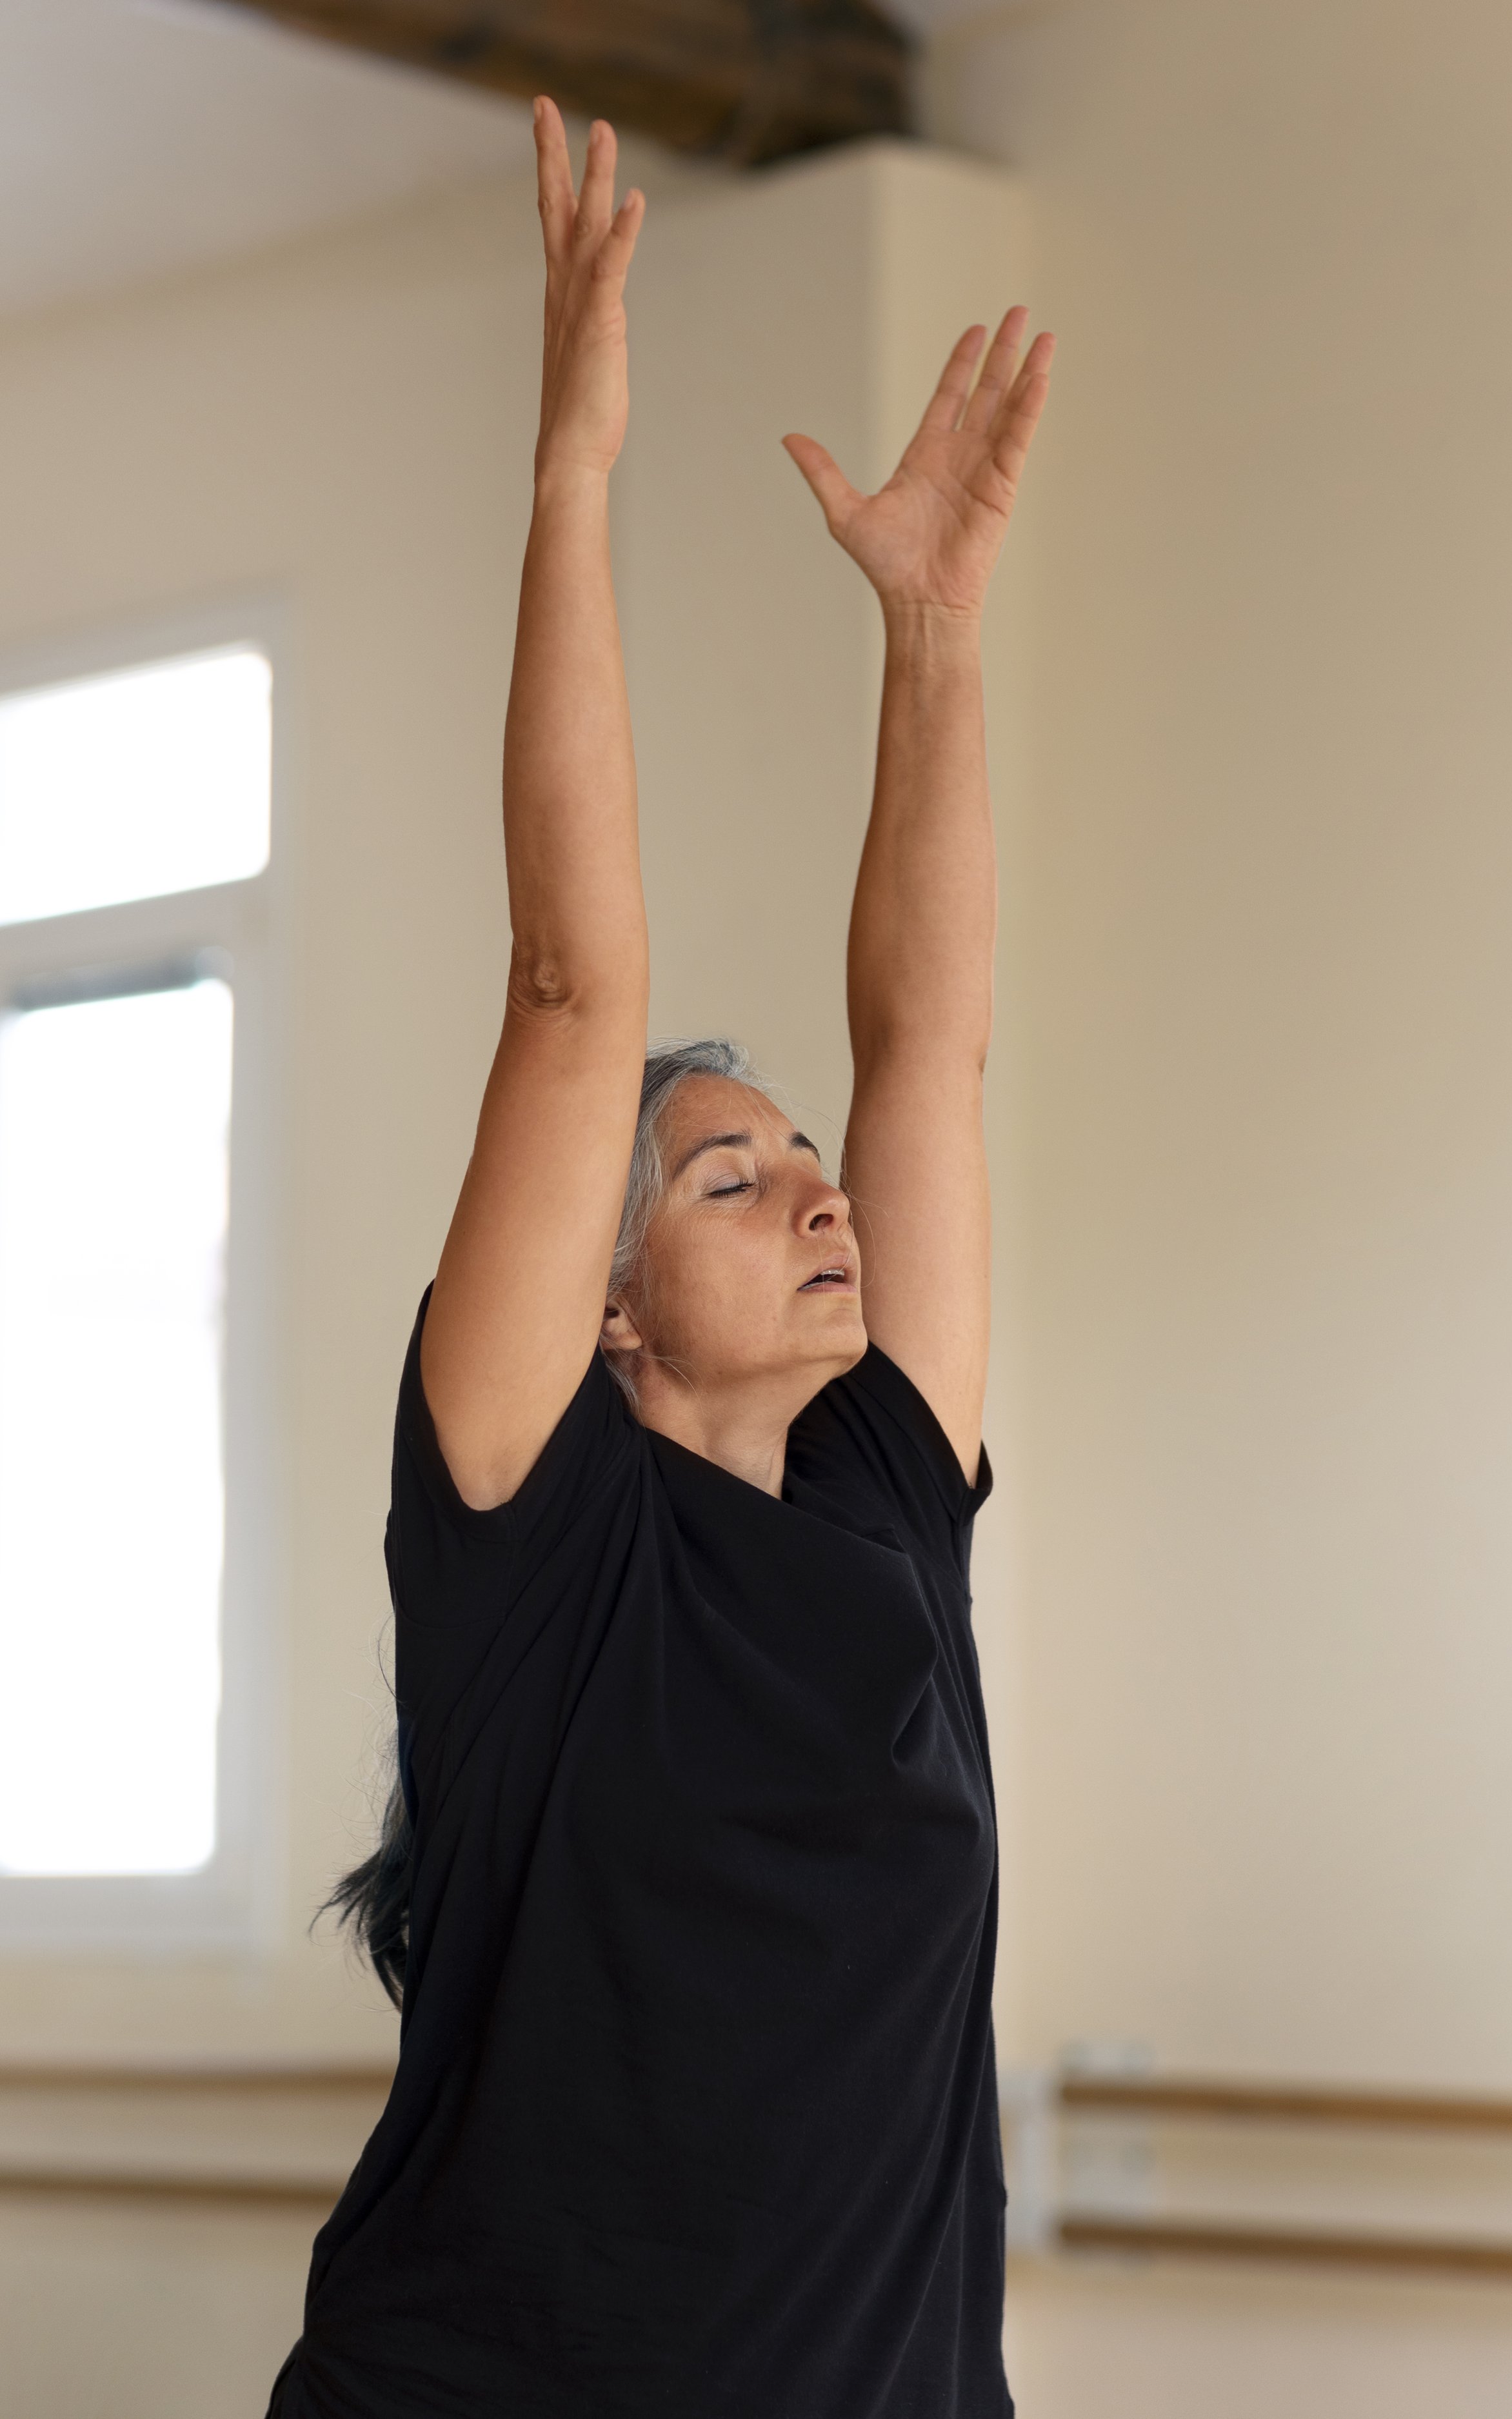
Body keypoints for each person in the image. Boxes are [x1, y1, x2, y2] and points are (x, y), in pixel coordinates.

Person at [268, 95, 1052, 2419]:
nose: (823, 1195)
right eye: (730, 1182)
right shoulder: (532, 1538)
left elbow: (929, 1042)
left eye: (799, 1163)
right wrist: (571, 472)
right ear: (601, 1311)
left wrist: (931, 634)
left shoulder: (885, 1510)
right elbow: (569, 990)